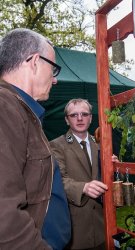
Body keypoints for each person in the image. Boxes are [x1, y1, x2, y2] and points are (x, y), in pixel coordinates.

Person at [0, 28, 71, 249]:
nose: (55, 80)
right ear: (33, 62)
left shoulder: (20, 110)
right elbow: (4, 216)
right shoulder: (5, 108)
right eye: (54, 69)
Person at [50, 98, 118, 250]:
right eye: (74, 115)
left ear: (91, 118)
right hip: (75, 229)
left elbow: (108, 181)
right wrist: (83, 188)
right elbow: (58, 180)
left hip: (102, 225)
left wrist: (113, 168)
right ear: (67, 120)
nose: (80, 118)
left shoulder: (101, 145)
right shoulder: (56, 145)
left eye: (84, 114)